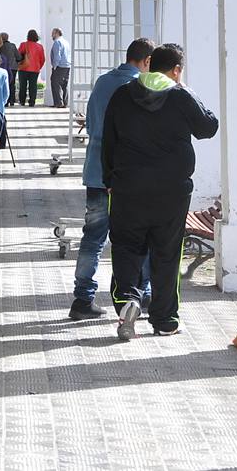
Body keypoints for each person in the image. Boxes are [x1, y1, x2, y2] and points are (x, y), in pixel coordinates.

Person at [103, 43, 219, 340]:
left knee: (127, 246)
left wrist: (109, 179)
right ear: (177, 70)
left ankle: (128, 298)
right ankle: (165, 320)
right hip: (171, 190)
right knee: (166, 253)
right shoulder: (180, 95)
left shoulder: (122, 95)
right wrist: (186, 90)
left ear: (150, 63)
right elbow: (208, 127)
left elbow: (109, 141)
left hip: (128, 186)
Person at [70, 38, 156, 321]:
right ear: (146, 62)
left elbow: (93, 125)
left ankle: (82, 298)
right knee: (137, 237)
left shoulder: (103, 82)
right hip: (125, 177)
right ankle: (140, 293)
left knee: (93, 238)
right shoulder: (138, 88)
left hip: (95, 171)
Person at [17, 30, 46, 106]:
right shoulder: (40, 46)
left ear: (28, 36)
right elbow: (42, 59)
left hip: (23, 68)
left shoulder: (23, 45)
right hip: (35, 69)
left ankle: (22, 101)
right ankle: (32, 102)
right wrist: (39, 67)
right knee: (33, 86)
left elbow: (18, 56)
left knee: (22, 85)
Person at [50, 28, 72, 108]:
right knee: (64, 85)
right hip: (67, 66)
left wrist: (55, 66)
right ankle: (65, 103)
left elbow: (57, 56)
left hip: (60, 66)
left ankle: (58, 103)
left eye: (52, 33)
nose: (51, 35)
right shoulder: (66, 42)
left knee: (55, 83)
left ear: (57, 33)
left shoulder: (57, 42)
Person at [0, 33, 20, 106]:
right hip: (13, 67)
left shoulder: (0, 46)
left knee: (3, 84)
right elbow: (18, 57)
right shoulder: (13, 46)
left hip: (3, 67)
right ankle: (12, 100)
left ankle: (5, 101)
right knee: (12, 84)